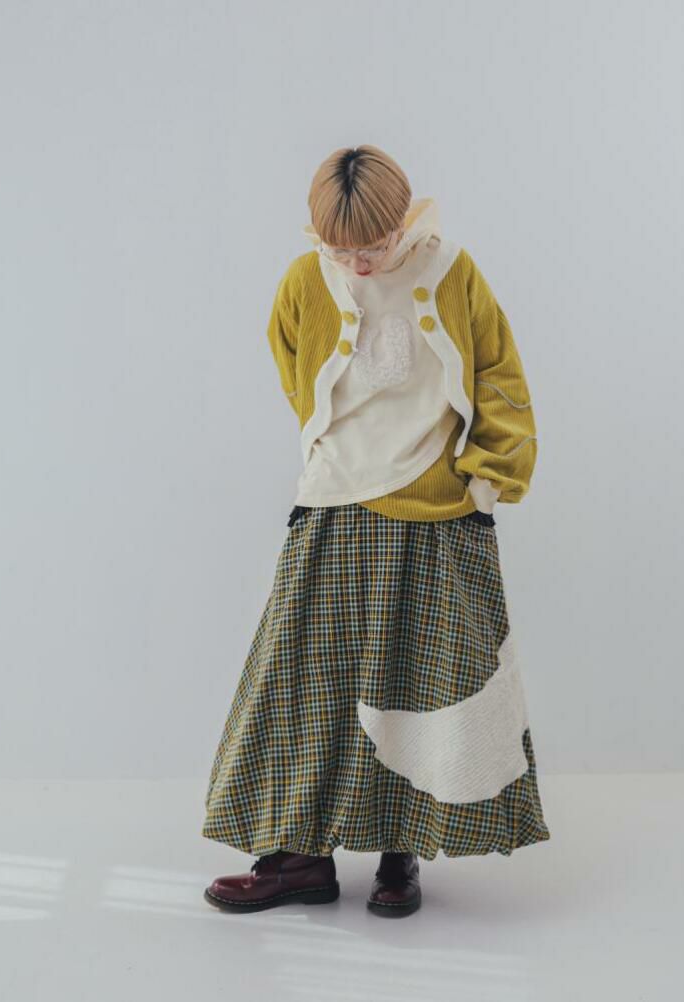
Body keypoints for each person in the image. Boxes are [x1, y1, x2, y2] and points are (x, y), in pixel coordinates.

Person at [201, 144, 550, 917]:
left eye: (376, 247)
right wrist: (336, 454)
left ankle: (402, 854)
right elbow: (295, 370)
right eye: (341, 250)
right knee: (302, 683)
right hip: (335, 499)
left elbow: (500, 374)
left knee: (421, 684)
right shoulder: (304, 280)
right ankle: (299, 858)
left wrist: (484, 478)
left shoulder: (452, 271)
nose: (358, 265)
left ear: (405, 220)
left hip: (439, 508)